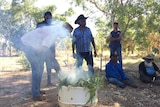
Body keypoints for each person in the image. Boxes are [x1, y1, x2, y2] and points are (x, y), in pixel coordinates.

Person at [21, 21, 72, 101]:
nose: (66, 36)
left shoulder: (54, 30)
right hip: (27, 45)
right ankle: (35, 94)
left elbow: (44, 48)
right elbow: (45, 48)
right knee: (37, 68)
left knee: (40, 66)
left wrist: (53, 61)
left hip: (34, 46)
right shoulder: (54, 32)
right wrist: (54, 62)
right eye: (67, 33)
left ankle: (37, 90)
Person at [36, 11, 60, 86]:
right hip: (42, 49)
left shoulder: (53, 26)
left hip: (51, 48)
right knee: (40, 67)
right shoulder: (40, 25)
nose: (48, 18)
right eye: (46, 16)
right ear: (44, 17)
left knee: (49, 66)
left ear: (51, 17)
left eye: (49, 16)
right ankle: (37, 86)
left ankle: (49, 82)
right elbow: (38, 35)